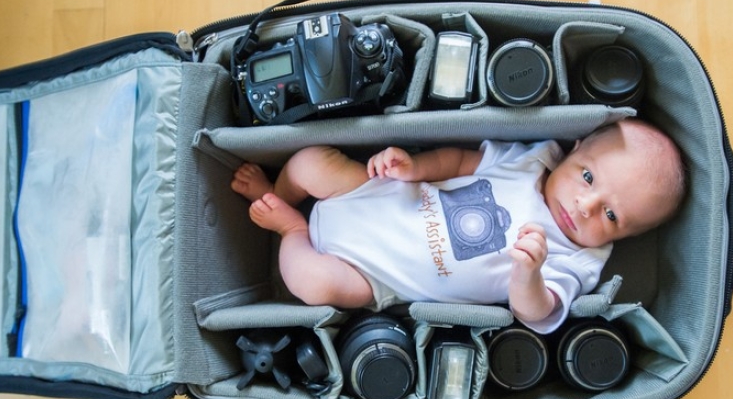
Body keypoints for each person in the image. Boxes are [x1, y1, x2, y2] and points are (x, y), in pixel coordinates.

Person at [231, 118, 686, 334]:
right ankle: (277, 192)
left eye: (611, 216)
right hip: (373, 193)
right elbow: (463, 160)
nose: (586, 206)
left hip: (373, 275)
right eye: (588, 177)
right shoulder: (533, 159)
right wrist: (414, 168)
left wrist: (527, 274)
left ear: (625, 237)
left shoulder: (578, 259)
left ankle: (289, 228)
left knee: (311, 284)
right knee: (311, 162)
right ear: (576, 145)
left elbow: (539, 313)